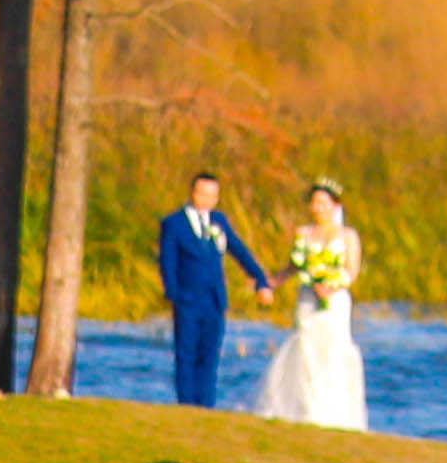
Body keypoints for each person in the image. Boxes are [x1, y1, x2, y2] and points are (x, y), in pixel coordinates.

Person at [249, 181, 368, 431]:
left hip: (334, 301)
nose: (318, 208)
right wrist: (273, 282)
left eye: (323, 203)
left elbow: (352, 270)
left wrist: (332, 286)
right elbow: (294, 266)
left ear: (335, 205)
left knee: (333, 349)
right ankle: (304, 408)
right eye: (314, 203)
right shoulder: (304, 234)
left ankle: (332, 413)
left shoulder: (347, 235)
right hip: (307, 298)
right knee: (305, 347)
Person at [155, 172, 265, 410]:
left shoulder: (219, 221)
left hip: (215, 299)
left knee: (210, 355)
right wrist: (174, 293)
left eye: (212, 195)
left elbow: (238, 250)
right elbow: (167, 261)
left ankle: (206, 406)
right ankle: (186, 404)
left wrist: (259, 277)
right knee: (186, 353)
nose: (206, 199)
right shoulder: (174, 223)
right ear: (192, 192)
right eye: (202, 193)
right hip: (187, 298)